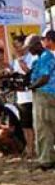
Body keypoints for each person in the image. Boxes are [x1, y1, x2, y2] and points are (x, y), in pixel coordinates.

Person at [28, 35, 55, 171]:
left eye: (30, 47)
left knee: (44, 127)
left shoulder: (45, 57)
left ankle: (46, 160)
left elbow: (44, 78)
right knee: (46, 128)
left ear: (38, 44)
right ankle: (47, 158)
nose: (29, 50)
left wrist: (31, 87)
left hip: (45, 94)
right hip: (44, 94)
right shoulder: (39, 59)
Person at [11, 36, 37, 159]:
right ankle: (29, 148)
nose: (16, 48)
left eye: (18, 45)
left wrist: (20, 60)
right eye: (14, 45)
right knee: (25, 126)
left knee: (33, 124)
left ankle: (34, 149)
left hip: (31, 96)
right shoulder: (16, 60)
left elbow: (29, 72)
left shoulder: (32, 57)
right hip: (20, 96)